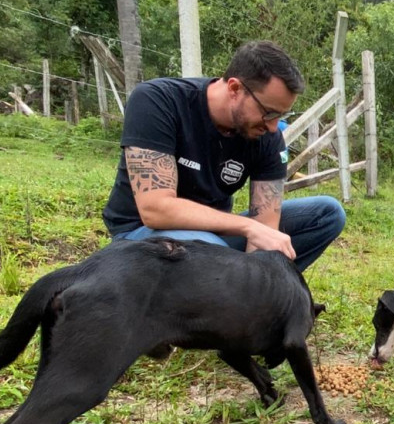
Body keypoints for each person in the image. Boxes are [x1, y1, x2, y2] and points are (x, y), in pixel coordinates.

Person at [102, 41, 345, 272]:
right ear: (235, 88)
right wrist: (247, 227)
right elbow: (156, 210)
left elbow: (265, 230)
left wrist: (259, 268)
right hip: (140, 236)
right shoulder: (158, 101)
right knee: (213, 254)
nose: (273, 127)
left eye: (281, 116)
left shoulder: (266, 136)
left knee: (327, 214)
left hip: (212, 238)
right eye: (269, 113)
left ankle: (252, 292)